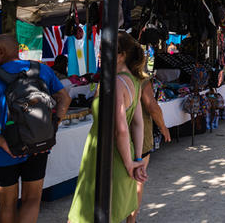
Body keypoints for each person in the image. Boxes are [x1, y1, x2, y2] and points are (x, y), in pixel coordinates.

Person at [0, 34, 70, 223]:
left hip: (5, 151)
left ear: (1, 52)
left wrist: (1, 142)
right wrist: (52, 127)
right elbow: (64, 98)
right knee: (32, 200)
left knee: (7, 206)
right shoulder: (42, 70)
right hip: (39, 146)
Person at [69, 33, 147, 223]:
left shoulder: (114, 83)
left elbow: (121, 128)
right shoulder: (134, 81)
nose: (99, 55)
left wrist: (131, 164)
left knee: (82, 216)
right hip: (123, 154)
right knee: (110, 213)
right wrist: (136, 159)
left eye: (104, 51)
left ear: (120, 55)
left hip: (105, 154)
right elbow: (137, 123)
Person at [129, 44, 172, 223]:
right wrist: (163, 127)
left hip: (116, 136)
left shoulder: (110, 78)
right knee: (138, 181)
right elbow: (152, 107)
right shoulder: (141, 80)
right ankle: (131, 221)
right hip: (138, 138)